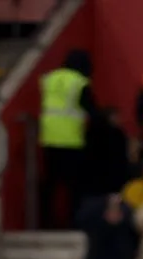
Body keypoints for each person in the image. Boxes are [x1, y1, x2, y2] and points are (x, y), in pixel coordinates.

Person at [39, 50, 94, 229]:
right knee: (75, 187)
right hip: (72, 141)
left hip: (49, 139)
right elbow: (91, 108)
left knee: (50, 185)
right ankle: (75, 222)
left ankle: (46, 222)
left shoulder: (49, 79)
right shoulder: (79, 82)